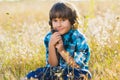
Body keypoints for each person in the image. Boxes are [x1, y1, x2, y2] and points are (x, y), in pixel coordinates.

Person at [25, 1, 92, 80]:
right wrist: (51, 46)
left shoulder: (79, 38)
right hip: (54, 72)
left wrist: (61, 50)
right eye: (55, 21)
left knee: (85, 74)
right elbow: (52, 66)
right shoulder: (49, 37)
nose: (59, 25)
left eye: (63, 20)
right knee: (34, 74)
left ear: (72, 21)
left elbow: (77, 66)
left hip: (73, 72)